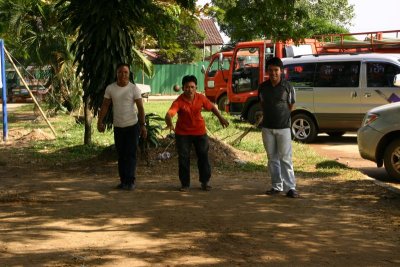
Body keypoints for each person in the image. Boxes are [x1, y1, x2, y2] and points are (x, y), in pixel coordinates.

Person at [165, 75, 229, 192]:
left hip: (199, 133)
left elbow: (213, 108)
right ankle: (185, 184)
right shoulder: (179, 101)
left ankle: (205, 182)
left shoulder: (201, 98)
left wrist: (221, 118)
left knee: (203, 156)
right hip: (183, 134)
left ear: (196, 88)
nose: (190, 89)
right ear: (183, 88)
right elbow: (169, 114)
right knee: (184, 158)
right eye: (187, 87)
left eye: (192, 87)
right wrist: (169, 122)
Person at [97, 63, 147, 191]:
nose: (123, 75)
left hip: (132, 126)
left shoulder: (134, 89)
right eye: (120, 72)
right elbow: (105, 106)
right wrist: (100, 121)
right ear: (116, 73)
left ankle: (130, 181)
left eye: (125, 72)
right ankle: (123, 180)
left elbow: (141, 108)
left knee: (130, 154)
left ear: (129, 74)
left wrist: (143, 125)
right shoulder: (110, 88)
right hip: (118, 127)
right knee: (121, 154)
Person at [258, 57, 299, 198]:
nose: (273, 73)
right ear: (267, 71)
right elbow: (263, 105)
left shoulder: (288, 87)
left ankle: (290, 188)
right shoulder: (262, 87)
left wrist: (282, 117)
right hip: (267, 128)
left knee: (285, 158)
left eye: (276, 70)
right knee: (272, 159)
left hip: (284, 128)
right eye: (270, 70)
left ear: (281, 71)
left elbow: (291, 106)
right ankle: (276, 186)